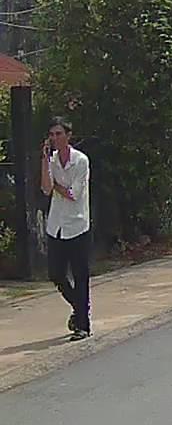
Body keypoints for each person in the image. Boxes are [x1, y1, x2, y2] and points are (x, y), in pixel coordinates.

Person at [40, 116, 92, 341]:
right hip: (56, 225)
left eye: (59, 134)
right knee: (56, 274)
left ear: (68, 136)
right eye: (52, 135)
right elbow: (45, 189)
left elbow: (73, 194)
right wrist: (44, 161)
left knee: (80, 275)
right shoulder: (51, 161)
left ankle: (83, 325)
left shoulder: (80, 161)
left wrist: (56, 186)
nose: (55, 138)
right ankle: (80, 308)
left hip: (77, 224)